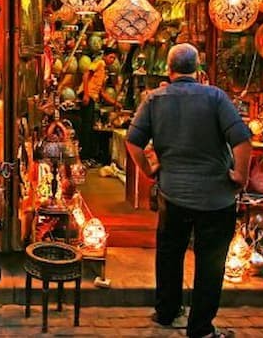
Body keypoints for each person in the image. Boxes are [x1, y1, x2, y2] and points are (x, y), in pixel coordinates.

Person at [125, 43, 252, 338]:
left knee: (169, 254)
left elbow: (133, 142)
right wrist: (240, 176)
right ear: (198, 68)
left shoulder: (154, 100)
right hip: (216, 197)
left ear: (168, 69)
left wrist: (149, 171)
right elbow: (242, 142)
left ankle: (166, 312)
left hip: (173, 194)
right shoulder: (216, 97)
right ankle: (200, 328)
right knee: (210, 263)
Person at [79, 47, 120, 163]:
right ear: (105, 56)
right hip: (87, 96)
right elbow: (86, 75)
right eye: (111, 57)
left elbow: (102, 92)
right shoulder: (99, 63)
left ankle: (88, 156)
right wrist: (86, 94)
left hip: (92, 98)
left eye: (114, 58)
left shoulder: (104, 71)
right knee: (86, 128)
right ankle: (84, 157)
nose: (112, 60)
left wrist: (114, 103)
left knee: (90, 128)